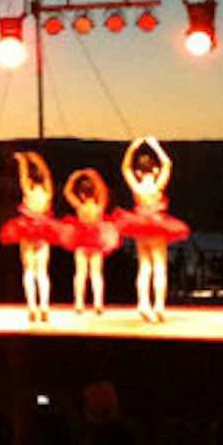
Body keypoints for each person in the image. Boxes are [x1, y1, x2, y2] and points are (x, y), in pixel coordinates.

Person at [118, 137, 189, 323]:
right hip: (157, 226)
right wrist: (155, 145)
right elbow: (168, 163)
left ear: (139, 172)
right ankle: (158, 305)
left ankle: (143, 303)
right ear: (155, 170)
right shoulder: (158, 186)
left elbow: (125, 168)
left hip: (141, 226)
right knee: (159, 267)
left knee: (144, 267)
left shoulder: (137, 187)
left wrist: (132, 149)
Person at [1, 150, 61, 322]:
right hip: (42, 232)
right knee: (42, 271)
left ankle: (32, 307)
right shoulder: (47, 194)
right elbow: (47, 175)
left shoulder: (28, 192)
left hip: (28, 231)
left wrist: (23, 161)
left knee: (29, 270)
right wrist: (37, 159)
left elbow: (23, 178)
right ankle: (44, 307)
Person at [63, 168, 119, 314]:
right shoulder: (99, 206)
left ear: (81, 194)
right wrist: (94, 176)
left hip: (81, 240)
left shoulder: (80, 206)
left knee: (80, 273)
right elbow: (104, 191)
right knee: (96, 274)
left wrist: (73, 177)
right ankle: (98, 303)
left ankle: (79, 303)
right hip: (96, 241)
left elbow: (67, 193)